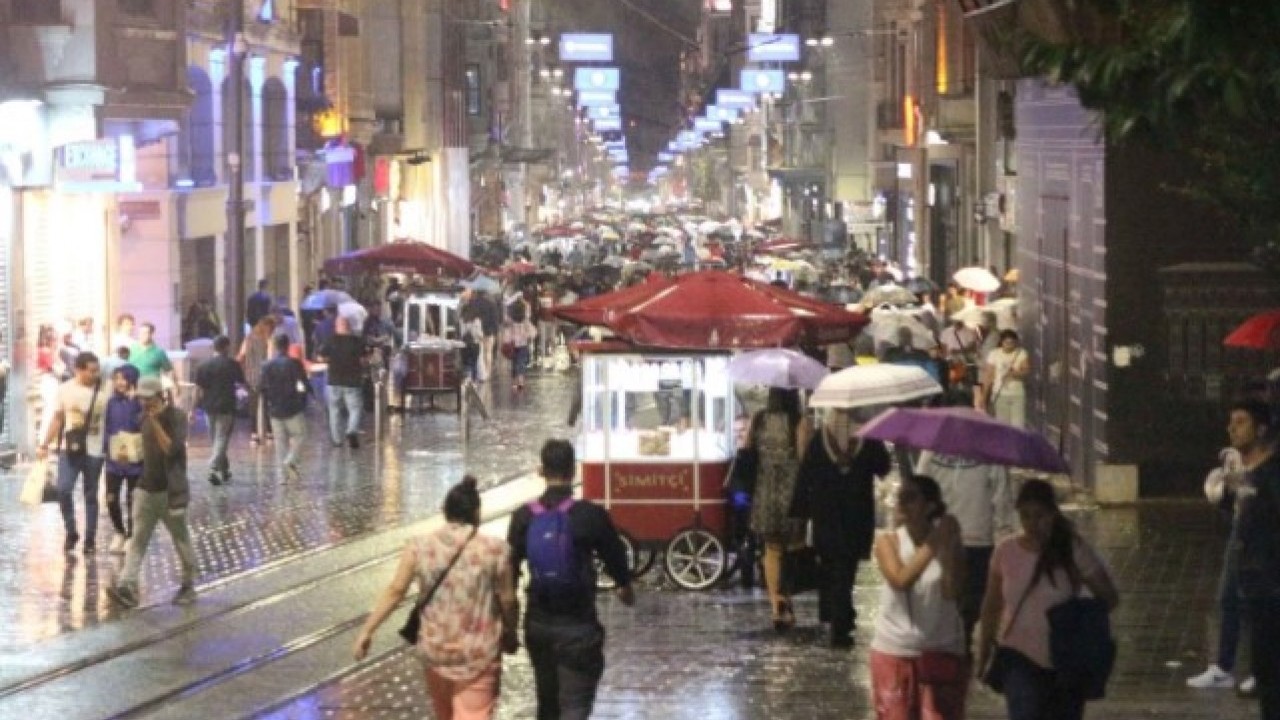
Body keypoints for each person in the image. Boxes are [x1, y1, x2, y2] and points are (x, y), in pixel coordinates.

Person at [354, 477, 518, 720]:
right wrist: (511, 630)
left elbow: (396, 590)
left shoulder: (419, 547)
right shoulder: (496, 550)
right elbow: (508, 600)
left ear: (445, 511)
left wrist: (367, 630)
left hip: (435, 650)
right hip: (479, 652)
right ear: (476, 512)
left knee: (444, 714)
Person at [507, 439, 635, 720]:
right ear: (573, 471)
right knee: (575, 706)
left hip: (538, 623)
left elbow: (509, 573)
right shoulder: (590, 515)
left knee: (547, 704)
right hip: (578, 625)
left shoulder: (523, 517)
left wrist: (509, 624)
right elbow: (616, 558)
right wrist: (624, 586)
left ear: (542, 470)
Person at [977, 479, 1120, 720]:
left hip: (1065, 660)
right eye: (1025, 516)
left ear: (1053, 514)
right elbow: (992, 605)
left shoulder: (1071, 548)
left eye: (1039, 516)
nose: (1033, 524)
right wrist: (983, 652)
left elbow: (1108, 597)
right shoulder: (1006, 551)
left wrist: (1079, 609)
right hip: (1018, 655)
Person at [870, 475, 968, 720]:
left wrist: (950, 545)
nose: (901, 503)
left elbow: (952, 591)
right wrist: (934, 542)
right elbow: (900, 580)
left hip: (940, 647)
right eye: (899, 497)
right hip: (894, 648)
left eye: (910, 498)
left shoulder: (947, 540)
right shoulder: (887, 542)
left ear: (930, 506)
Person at [791, 408, 891, 648]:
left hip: (825, 515)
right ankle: (841, 618)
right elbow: (883, 467)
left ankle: (838, 616)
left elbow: (805, 475)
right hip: (856, 515)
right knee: (847, 570)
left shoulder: (819, 439)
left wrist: (799, 512)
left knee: (830, 567)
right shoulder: (868, 439)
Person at [106, 376, 197, 607]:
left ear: (160, 395)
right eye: (142, 398)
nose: (145, 403)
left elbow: (171, 450)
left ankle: (188, 584)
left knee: (181, 539)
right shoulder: (141, 419)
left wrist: (155, 422)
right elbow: (139, 450)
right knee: (137, 540)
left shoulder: (176, 418)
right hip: (145, 490)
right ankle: (126, 586)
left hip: (170, 492)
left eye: (149, 398)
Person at [916, 451, 1017, 652]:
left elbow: (920, 491)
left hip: (953, 539)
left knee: (950, 596)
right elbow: (1002, 497)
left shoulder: (931, 452)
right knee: (969, 598)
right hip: (972, 539)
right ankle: (961, 637)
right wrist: (1004, 529)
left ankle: (955, 639)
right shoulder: (991, 454)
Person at [1186, 440, 1253, 691]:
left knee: (1262, 601)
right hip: (1242, 526)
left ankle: (1262, 671)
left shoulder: (1266, 460)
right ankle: (1224, 668)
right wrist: (1228, 485)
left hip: (1266, 528)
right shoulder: (1237, 457)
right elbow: (1225, 500)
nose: (1233, 429)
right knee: (1229, 597)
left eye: (1241, 422)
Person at [1229, 400, 1280, 718]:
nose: (1232, 428)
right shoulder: (1246, 473)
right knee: (1263, 666)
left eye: (1241, 421)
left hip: (1270, 582)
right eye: (1231, 421)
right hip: (1253, 582)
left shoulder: (1271, 474)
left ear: (1261, 429)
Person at [745, 387, 812, 631]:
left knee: (771, 549)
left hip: (764, 491)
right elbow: (805, 457)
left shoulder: (759, 418)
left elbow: (747, 448)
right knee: (793, 547)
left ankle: (777, 606)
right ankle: (789, 600)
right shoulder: (799, 421)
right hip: (792, 493)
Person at [38, 351, 107, 553]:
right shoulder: (65, 390)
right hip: (69, 449)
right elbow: (58, 418)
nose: (94, 375)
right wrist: (44, 444)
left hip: (95, 450)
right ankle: (71, 531)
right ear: (79, 370)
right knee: (63, 490)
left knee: (91, 494)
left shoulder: (104, 389)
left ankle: (90, 539)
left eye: (97, 371)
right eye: (91, 371)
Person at [193, 335, 246, 486]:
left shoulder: (203, 366)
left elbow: (198, 389)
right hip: (227, 405)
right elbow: (241, 382)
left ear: (213, 348)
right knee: (221, 438)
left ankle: (224, 470)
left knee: (215, 438)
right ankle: (213, 467)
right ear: (226, 347)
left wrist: (192, 409)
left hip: (208, 406)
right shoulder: (232, 364)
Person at [102, 365, 144, 554]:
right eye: (117, 378)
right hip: (114, 460)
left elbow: (142, 425)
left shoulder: (140, 403)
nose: (120, 382)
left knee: (132, 499)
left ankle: (132, 535)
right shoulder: (111, 402)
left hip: (135, 461)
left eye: (124, 378)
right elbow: (107, 426)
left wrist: (135, 401)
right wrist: (106, 448)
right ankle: (119, 531)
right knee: (111, 498)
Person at [259, 333, 312, 480]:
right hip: (292, 407)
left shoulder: (266, 365)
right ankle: (291, 460)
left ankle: (282, 475)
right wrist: (303, 396)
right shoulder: (294, 363)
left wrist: (268, 401)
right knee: (300, 435)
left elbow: (262, 387)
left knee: (280, 442)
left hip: (275, 408)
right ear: (288, 346)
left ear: (275, 346)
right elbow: (302, 383)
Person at [318, 316, 367, 449]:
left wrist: (329, 360)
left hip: (334, 380)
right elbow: (363, 360)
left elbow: (321, 357)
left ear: (337, 327)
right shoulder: (357, 341)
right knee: (355, 409)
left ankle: (337, 440)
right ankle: (351, 430)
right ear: (349, 327)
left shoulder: (330, 340)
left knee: (334, 410)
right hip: (353, 381)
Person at [239, 315, 277, 444]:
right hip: (265, 376)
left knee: (253, 406)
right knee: (266, 404)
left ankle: (254, 434)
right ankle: (269, 433)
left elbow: (241, 355)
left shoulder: (248, 338)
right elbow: (271, 358)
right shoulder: (269, 339)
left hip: (250, 375)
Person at [981, 329, 1030, 428]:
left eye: (1012, 342)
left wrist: (1014, 373)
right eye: (1006, 342)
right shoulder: (994, 354)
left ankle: (1016, 443)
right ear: (1001, 342)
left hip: (1017, 394)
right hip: (1000, 394)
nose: (1009, 345)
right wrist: (984, 396)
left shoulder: (1021, 353)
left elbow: (1026, 371)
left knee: (1018, 426)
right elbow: (988, 376)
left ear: (1016, 342)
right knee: (1003, 425)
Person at [504, 296, 536, 393]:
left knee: (514, 363)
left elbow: (505, 317)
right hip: (523, 344)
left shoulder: (510, 320)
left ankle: (514, 382)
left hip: (512, 344)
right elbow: (532, 332)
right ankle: (520, 381)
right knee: (521, 362)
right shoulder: (525, 319)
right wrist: (523, 301)